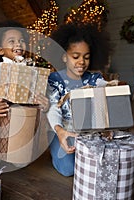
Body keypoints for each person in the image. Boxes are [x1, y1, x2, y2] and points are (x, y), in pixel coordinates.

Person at [0, 20, 50, 170]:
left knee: (21, 162)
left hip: (19, 125)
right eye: (11, 41)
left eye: (21, 41)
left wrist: (43, 104)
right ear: (1, 50)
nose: (18, 44)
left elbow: (36, 99)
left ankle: (12, 147)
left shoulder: (31, 70)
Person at [46, 23, 112, 176]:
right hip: (63, 131)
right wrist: (59, 130)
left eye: (86, 57)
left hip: (90, 132)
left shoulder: (95, 78)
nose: (82, 62)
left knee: (102, 164)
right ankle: (55, 148)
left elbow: (106, 91)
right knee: (69, 169)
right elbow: (53, 107)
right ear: (64, 56)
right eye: (75, 56)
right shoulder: (54, 79)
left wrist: (110, 87)